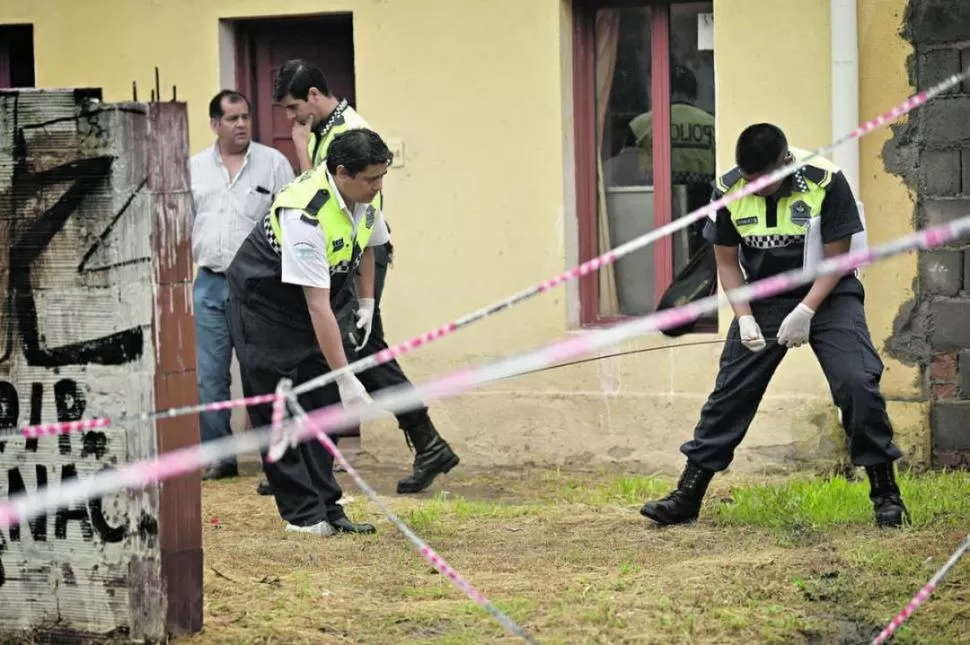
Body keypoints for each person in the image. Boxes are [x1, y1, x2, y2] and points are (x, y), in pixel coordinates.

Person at [639, 123, 909, 529]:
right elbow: (727, 263)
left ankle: (886, 496)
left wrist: (805, 311)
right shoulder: (729, 189)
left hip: (830, 293)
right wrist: (744, 316)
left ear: (786, 162)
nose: (756, 188)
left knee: (857, 383)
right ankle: (686, 497)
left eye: (764, 180)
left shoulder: (824, 180)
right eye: (750, 181)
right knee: (730, 393)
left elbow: (838, 260)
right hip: (763, 297)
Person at [249, 59, 459, 497]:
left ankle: (418, 442)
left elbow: (317, 189)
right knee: (351, 346)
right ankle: (422, 442)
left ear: (312, 96)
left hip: (356, 250)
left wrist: (301, 148)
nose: (291, 119)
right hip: (345, 250)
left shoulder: (344, 134)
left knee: (353, 347)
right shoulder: (334, 126)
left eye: (292, 108)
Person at [225, 129, 396, 536]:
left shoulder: (363, 196)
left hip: (310, 301)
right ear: (342, 172)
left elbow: (371, 244)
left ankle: (328, 507)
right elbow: (318, 307)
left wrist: (368, 302)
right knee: (280, 410)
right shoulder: (305, 214)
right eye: (372, 178)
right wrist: (346, 376)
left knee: (322, 407)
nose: (379, 185)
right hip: (264, 307)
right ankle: (302, 516)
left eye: (381, 177)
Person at [189, 89, 295, 481]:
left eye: (245, 117)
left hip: (259, 288)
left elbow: (290, 221)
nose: (240, 125)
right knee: (210, 375)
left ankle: (275, 460)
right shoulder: (194, 168)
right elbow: (185, 225)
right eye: (232, 119)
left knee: (262, 371)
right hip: (210, 284)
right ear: (215, 124)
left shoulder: (273, 164)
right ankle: (220, 457)